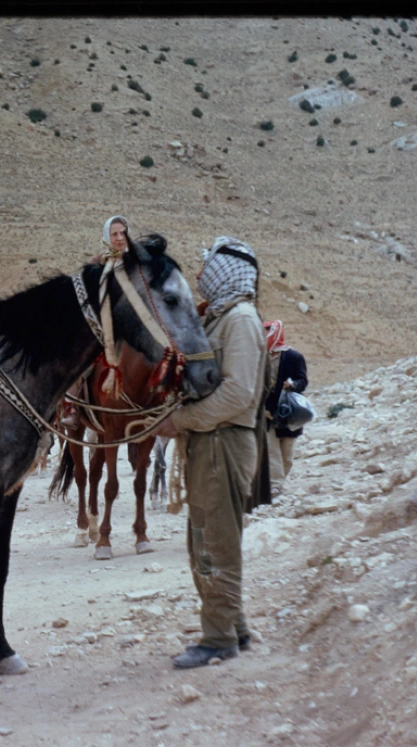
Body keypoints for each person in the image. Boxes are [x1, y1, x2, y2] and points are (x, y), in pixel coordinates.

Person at [155, 236, 267, 669]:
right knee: (204, 540)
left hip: (223, 443)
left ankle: (217, 638)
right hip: (210, 443)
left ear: (227, 271)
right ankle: (234, 627)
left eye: (206, 268)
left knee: (216, 545)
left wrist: (180, 422)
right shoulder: (221, 319)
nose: (199, 276)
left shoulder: (239, 320)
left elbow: (238, 394)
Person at [62, 215, 131, 430]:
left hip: (131, 325)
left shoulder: (136, 262)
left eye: (123, 233)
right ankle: (72, 408)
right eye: (115, 234)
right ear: (107, 237)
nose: (120, 238)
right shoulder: (97, 263)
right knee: (79, 359)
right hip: (102, 325)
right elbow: (82, 294)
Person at [263, 320, 308, 497]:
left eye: (267, 330)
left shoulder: (294, 357)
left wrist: (292, 385)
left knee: (286, 455)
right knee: (271, 450)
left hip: (287, 412)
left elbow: (303, 381)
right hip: (266, 412)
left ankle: (277, 481)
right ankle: (275, 486)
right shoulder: (259, 357)